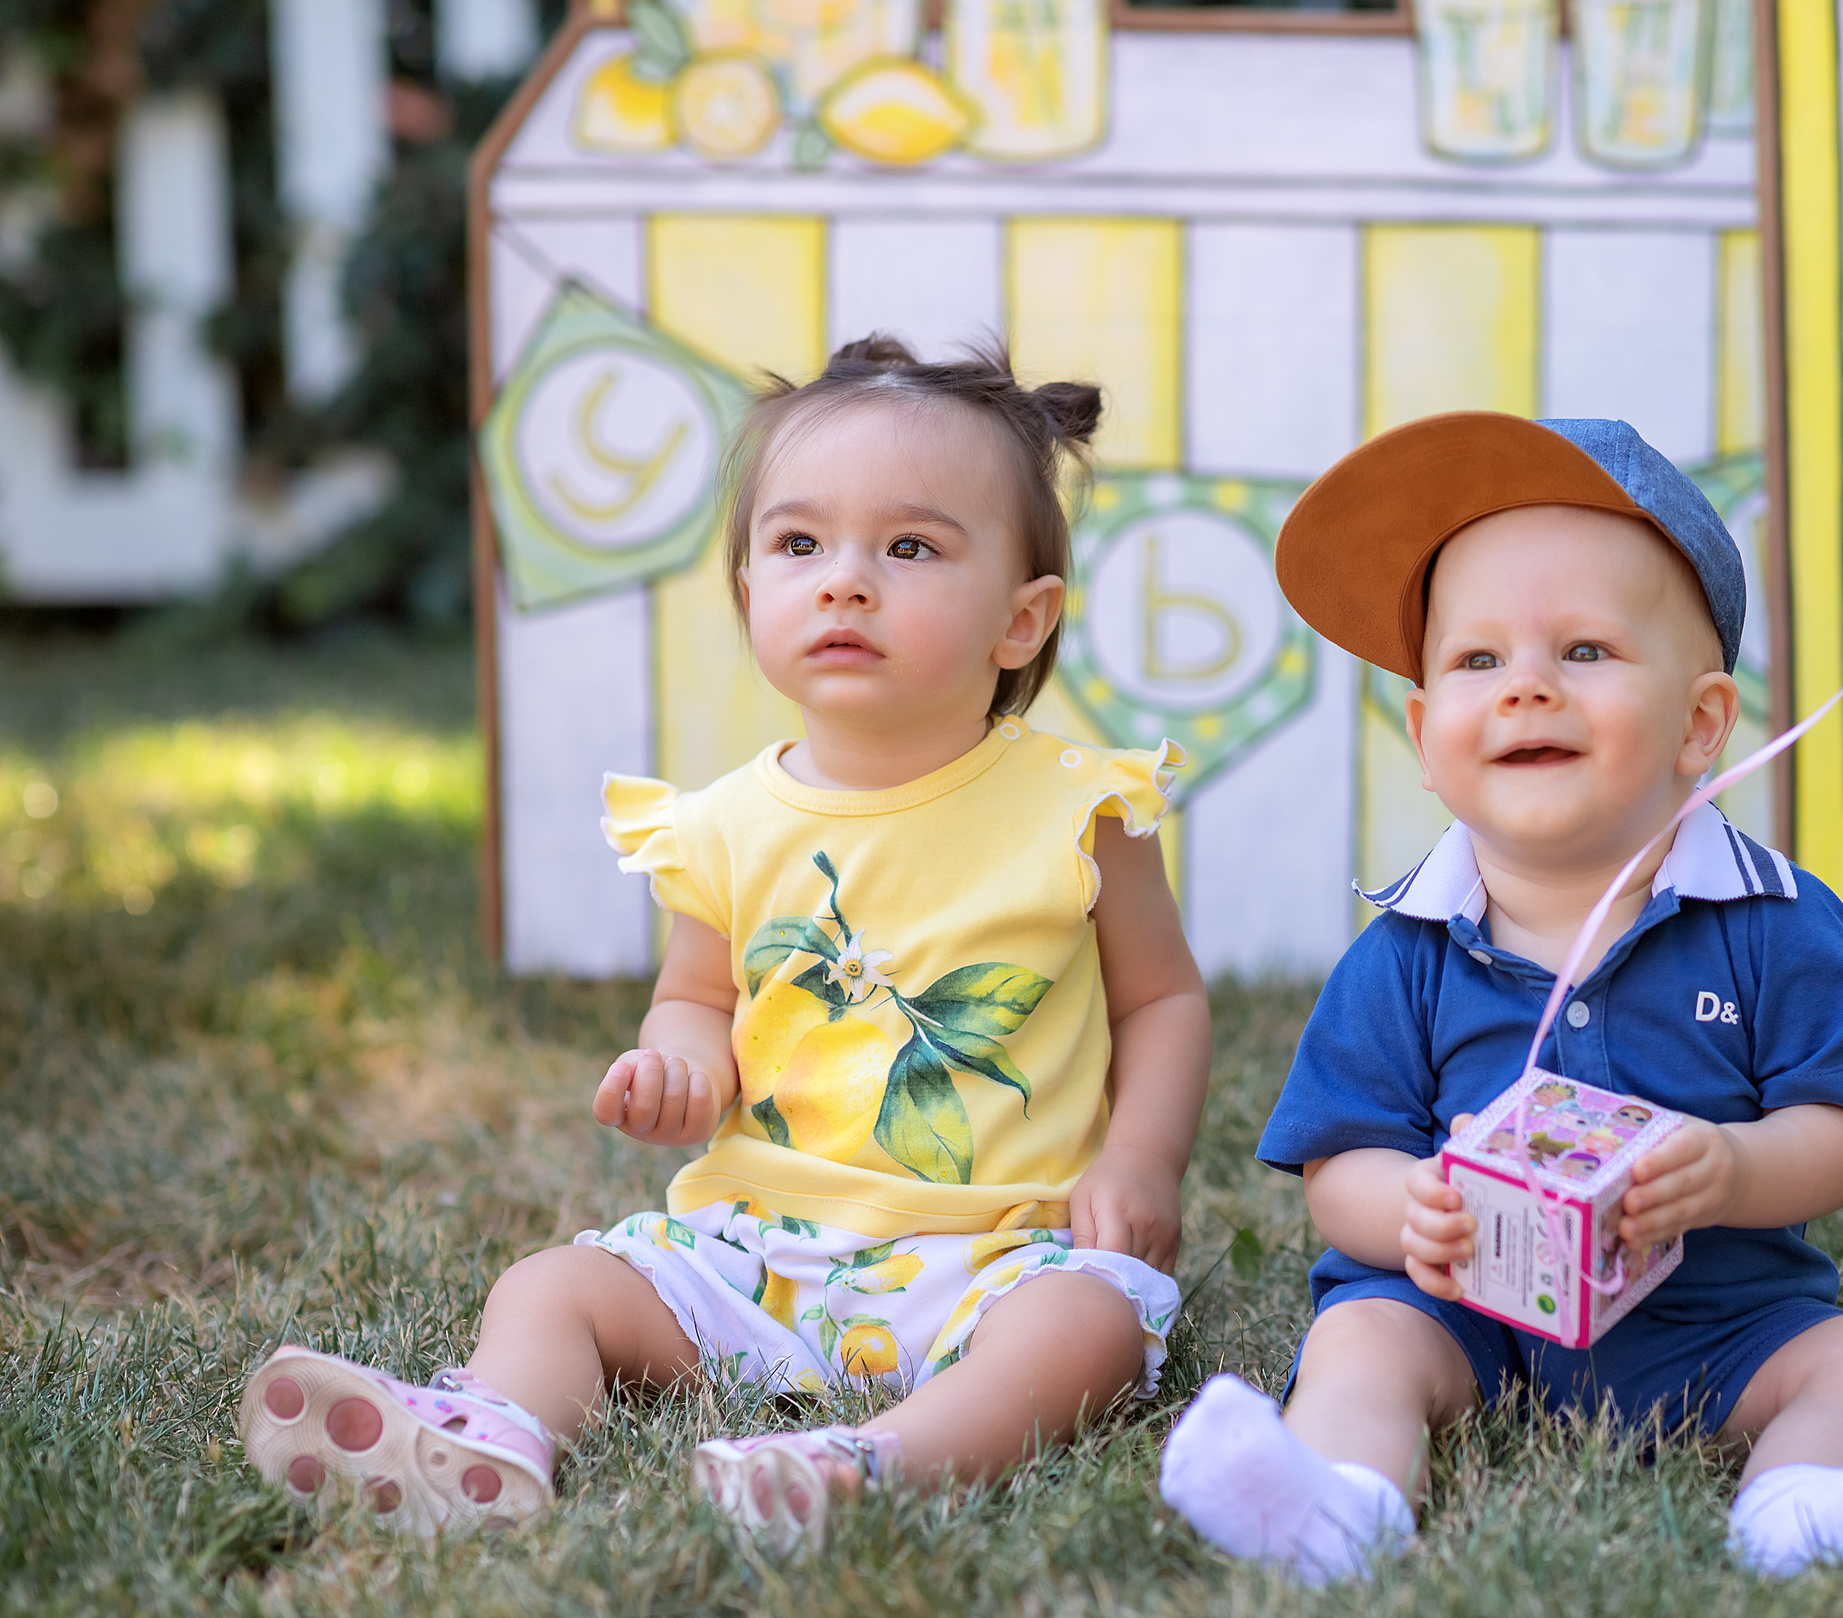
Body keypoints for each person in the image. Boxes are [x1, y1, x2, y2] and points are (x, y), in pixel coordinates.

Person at [239, 337, 1208, 1550]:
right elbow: (693, 997)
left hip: (998, 1250)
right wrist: (684, 1062)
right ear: (753, 594)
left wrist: (1141, 1159)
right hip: (755, 1254)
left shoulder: (1079, 809)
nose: (845, 582)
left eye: (909, 547)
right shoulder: (724, 826)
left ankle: (875, 1464)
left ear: (1023, 620)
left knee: (1086, 1332)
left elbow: (1161, 1000)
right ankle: (489, 1429)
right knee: (549, 1288)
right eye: (801, 546)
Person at [1157, 413, 1843, 1584]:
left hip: (1715, 1325)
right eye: (1477, 661)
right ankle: (1339, 1503)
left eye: (1586, 653)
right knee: (1359, 1337)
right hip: (1463, 1325)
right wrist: (1413, 1206)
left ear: (1700, 725)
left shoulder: (1773, 923)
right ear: (1422, 733)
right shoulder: (1407, 948)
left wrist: (1737, 1168)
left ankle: (1804, 1510)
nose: (1526, 691)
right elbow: (1337, 1167)